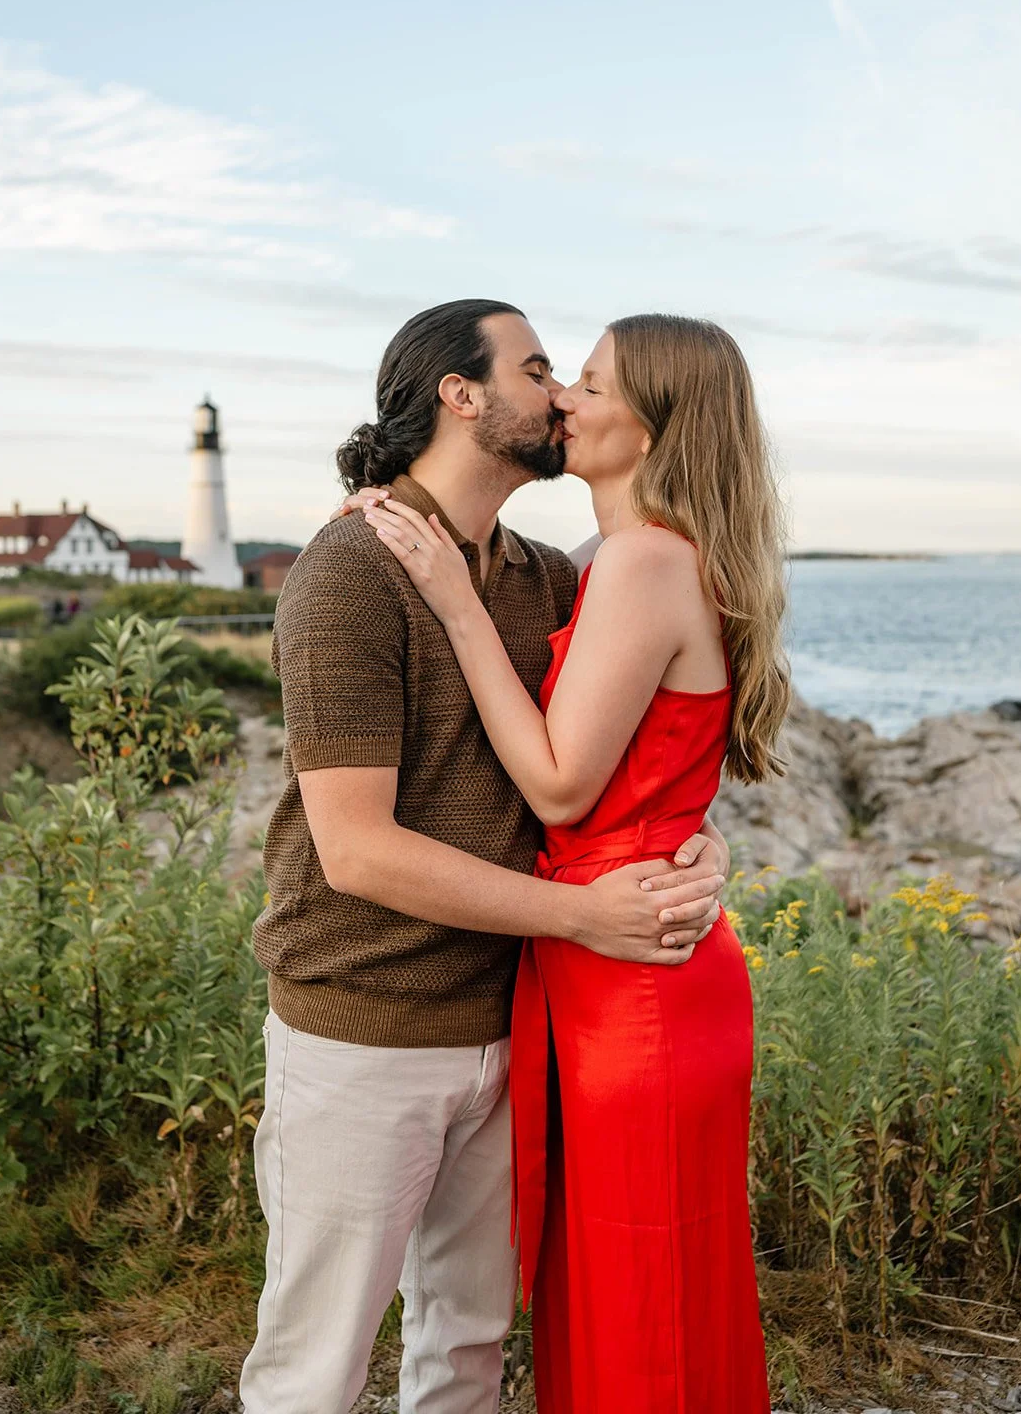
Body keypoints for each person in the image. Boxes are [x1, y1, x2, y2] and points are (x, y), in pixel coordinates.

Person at [239, 300, 731, 1414]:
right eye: (538, 368)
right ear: (460, 396)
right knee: (315, 1365)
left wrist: (690, 846)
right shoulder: (350, 570)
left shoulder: (543, 576)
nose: (558, 395)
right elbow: (357, 852)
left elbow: (632, 743)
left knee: (465, 1347)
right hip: (365, 1024)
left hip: (513, 1024)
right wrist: (583, 916)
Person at [361, 313, 789, 1413]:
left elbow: (558, 787)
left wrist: (455, 604)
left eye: (588, 385)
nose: (561, 400)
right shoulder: (612, 562)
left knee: (642, 1296)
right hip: (618, 950)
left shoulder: (643, 559)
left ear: (652, 428)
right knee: (634, 1283)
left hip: (632, 971)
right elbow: (663, 766)